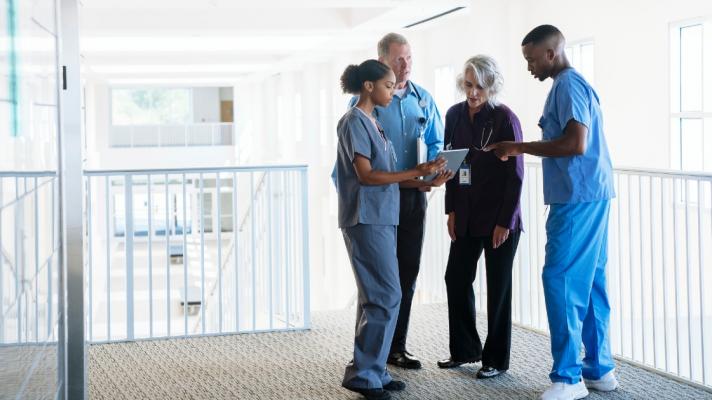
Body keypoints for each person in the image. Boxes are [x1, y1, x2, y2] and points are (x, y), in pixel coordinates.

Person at [486, 25, 618, 400]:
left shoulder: (568, 86)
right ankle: (599, 369)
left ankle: (568, 377)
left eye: (531, 59)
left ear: (551, 53)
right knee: (590, 281)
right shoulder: (570, 86)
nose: (528, 67)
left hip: (578, 198)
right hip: (592, 193)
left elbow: (576, 143)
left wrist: (518, 147)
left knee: (559, 278)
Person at [335, 59, 451, 400]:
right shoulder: (354, 121)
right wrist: (412, 172)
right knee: (386, 294)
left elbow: (387, 177)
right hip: (365, 218)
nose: (392, 90)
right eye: (387, 85)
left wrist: (424, 178)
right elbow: (367, 176)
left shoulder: (374, 122)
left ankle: (372, 370)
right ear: (369, 86)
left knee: (378, 295)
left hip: (383, 216)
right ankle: (365, 374)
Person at [435, 55, 524, 379]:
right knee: (455, 278)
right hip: (468, 213)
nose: (473, 93)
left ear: (492, 86)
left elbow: (516, 175)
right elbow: (452, 166)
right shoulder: (454, 115)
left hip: (499, 217)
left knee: (498, 288)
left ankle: (496, 360)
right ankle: (464, 350)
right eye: (469, 85)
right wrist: (452, 211)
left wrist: (506, 221)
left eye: (480, 87)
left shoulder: (505, 118)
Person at [371, 32, 445, 370]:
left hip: (415, 196)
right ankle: (375, 350)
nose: (406, 65)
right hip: (380, 196)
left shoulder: (424, 99)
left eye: (410, 58)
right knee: (381, 277)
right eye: (399, 59)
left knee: (407, 273)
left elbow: (436, 143)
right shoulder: (369, 101)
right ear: (383, 61)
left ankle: (397, 347)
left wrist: (435, 171)